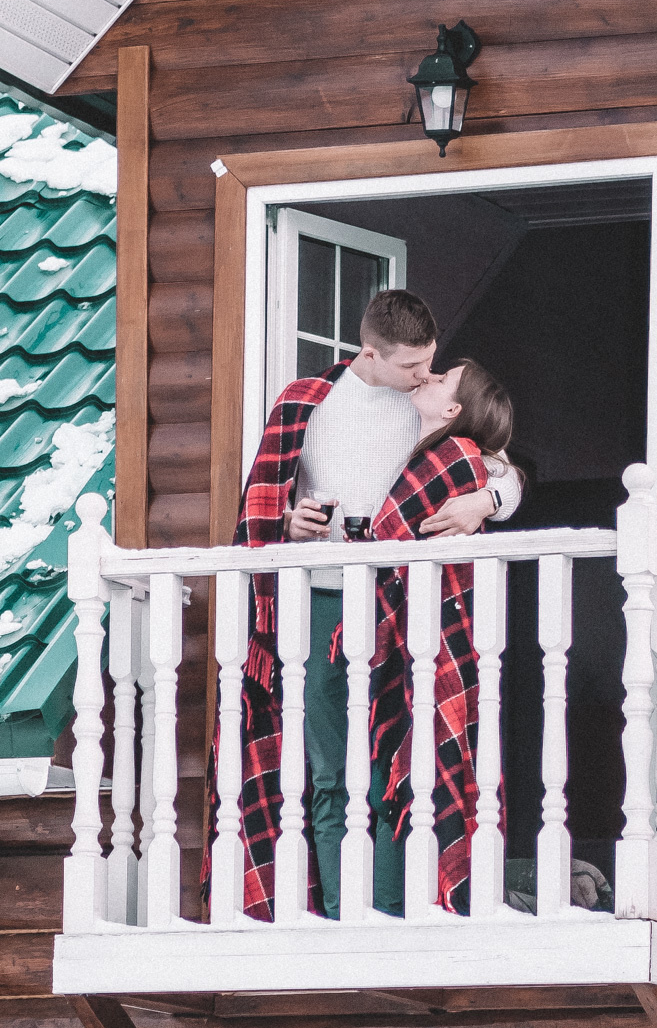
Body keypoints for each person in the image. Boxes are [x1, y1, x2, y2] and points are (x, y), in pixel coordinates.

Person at [218, 290, 521, 921]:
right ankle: (336, 913)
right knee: (330, 773)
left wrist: (487, 503)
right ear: (370, 353)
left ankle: (391, 907)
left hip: (401, 613)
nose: (424, 377)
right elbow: (262, 506)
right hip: (320, 611)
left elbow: (501, 465)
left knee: (399, 770)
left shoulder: (424, 411)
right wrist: (292, 524)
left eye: (430, 366)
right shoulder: (306, 404)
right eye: (411, 367)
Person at [368, 359, 519, 918]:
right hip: (388, 633)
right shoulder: (388, 418)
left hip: (403, 634)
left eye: (440, 379)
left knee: (410, 775)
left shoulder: (452, 455)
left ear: (454, 410)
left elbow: (388, 528)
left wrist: (494, 496)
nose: (426, 377)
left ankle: (413, 903)